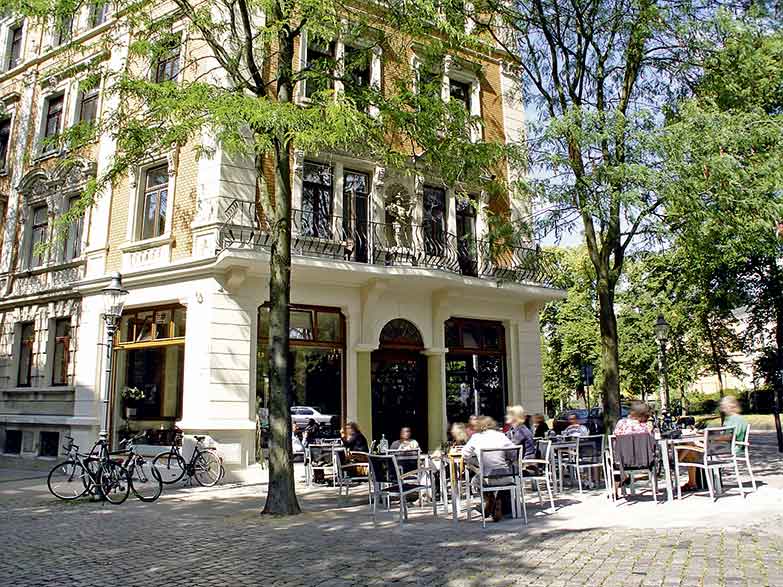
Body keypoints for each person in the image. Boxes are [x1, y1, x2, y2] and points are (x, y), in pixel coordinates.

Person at [677, 396, 748, 493]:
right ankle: (691, 482)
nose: (722, 408)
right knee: (691, 449)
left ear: (731, 406)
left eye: (724, 406)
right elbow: (724, 435)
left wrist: (708, 438)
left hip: (724, 449)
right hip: (725, 447)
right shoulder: (737, 418)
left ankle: (676, 463)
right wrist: (704, 434)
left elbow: (728, 437)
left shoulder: (734, 419)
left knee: (689, 444)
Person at [462, 416, 516, 522]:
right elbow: (514, 453)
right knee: (502, 474)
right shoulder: (502, 436)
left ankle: (489, 498)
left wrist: (475, 457)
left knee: (474, 480)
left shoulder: (476, 437)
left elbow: (465, 455)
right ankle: (497, 499)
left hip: (487, 479)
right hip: (506, 477)